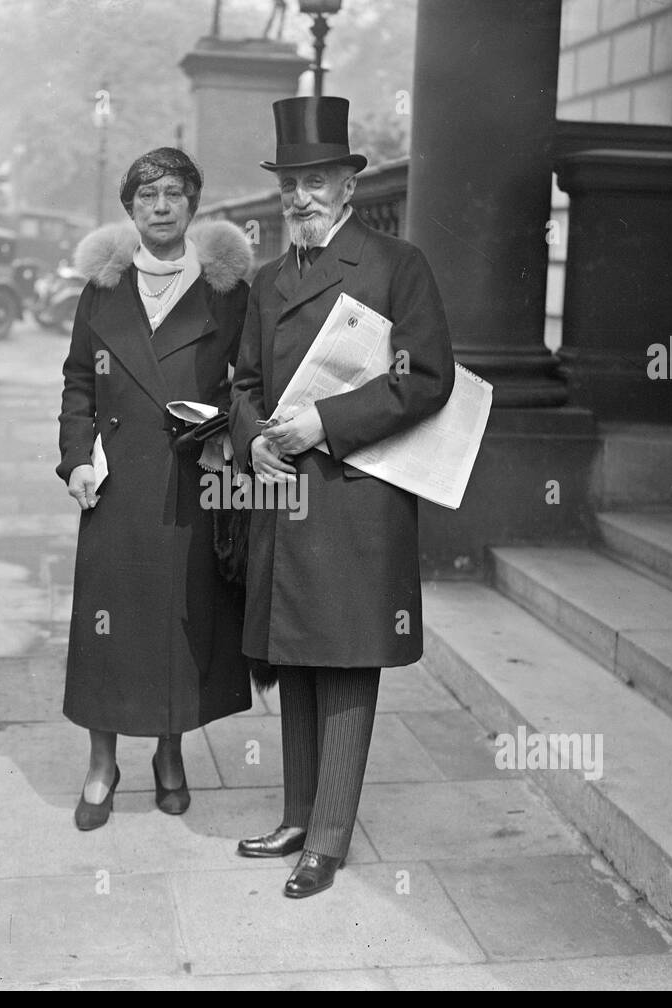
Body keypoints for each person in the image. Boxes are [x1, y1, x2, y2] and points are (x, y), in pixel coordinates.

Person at [229, 97, 456, 897]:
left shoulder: (397, 265)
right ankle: (297, 815)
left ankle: (327, 837)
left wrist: (321, 423)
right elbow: (245, 382)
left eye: (316, 179)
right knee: (294, 652)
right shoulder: (265, 280)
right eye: (291, 182)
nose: (301, 196)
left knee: (348, 658)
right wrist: (254, 437)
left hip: (357, 496)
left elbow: (426, 379)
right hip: (285, 495)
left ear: (348, 185)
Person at [57, 147, 254, 830]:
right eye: (147, 196)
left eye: (174, 193)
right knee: (109, 626)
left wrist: (226, 426)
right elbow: (79, 381)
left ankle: (170, 754)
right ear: (129, 209)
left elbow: (248, 382)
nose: (162, 206)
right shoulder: (103, 289)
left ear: (194, 204)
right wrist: (76, 459)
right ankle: (102, 762)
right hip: (115, 486)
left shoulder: (227, 293)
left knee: (178, 621)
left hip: (190, 483)